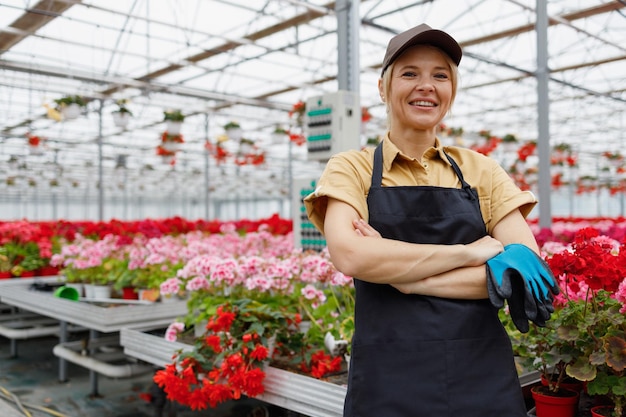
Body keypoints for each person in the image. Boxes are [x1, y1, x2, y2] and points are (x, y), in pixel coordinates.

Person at [303, 23, 543, 416]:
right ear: (383, 88)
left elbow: (518, 273)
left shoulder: (482, 170)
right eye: (409, 73)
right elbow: (350, 256)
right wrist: (469, 254)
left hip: (481, 378)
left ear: (452, 90)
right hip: (387, 382)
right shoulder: (353, 169)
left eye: (440, 75)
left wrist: (402, 277)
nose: (426, 85)